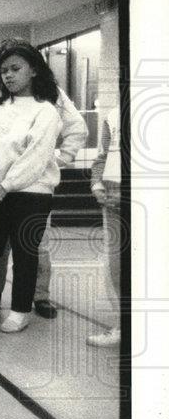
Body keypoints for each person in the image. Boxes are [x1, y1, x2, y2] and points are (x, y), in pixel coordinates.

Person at [0, 41, 87, 319]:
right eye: (4, 70)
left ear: (33, 70)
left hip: (32, 188)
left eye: (15, 68)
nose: (8, 75)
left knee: (30, 250)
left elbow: (74, 130)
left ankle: (33, 300)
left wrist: (57, 159)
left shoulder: (50, 101)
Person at [86, 102, 123, 347]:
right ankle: (125, 325)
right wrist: (98, 185)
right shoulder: (114, 113)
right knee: (118, 265)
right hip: (113, 198)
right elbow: (103, 156)